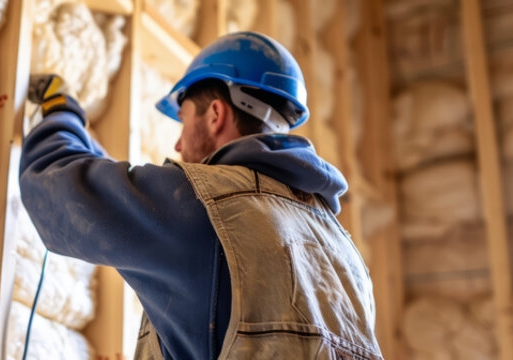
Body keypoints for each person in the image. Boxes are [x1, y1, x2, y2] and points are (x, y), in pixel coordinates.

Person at [19, 32, 383, 360]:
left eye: (183, 119)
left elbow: (58, 187)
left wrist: (60, 111)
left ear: (215, 115)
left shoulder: (206, 208)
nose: (177, 144)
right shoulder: (345, 253)